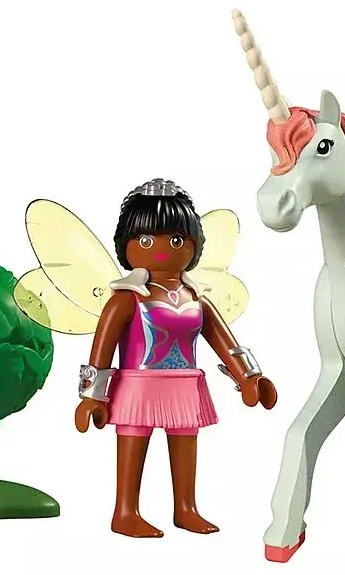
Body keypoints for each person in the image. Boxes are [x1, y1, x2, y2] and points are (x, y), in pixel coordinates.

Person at [74, 179, 277, 538]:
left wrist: (249, 377)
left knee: (185, 439)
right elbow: (101, 349)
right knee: (134, 439)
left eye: (177, 240)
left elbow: (225, 342)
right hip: (137, 385)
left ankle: (186, 508)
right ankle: (125, 512)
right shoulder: (127, 298)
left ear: (194, 245)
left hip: (184, 384)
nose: (162, 249)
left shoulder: (196, 298)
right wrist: (92, 397)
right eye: (146, 241)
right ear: (127, 245)